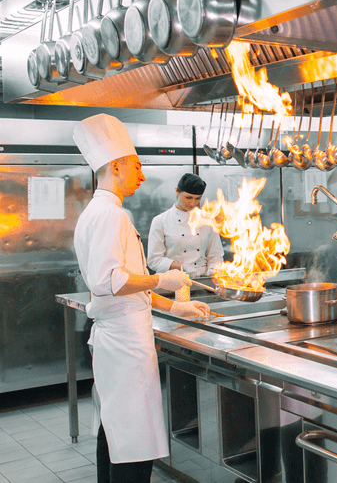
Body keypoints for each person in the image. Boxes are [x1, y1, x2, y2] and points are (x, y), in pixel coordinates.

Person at [72, 114, 210, 483]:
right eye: (136, 166)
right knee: (134, 445)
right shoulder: (111, 216)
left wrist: (175, 305)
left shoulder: (97, 212)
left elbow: (127, 286)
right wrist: (163, 278)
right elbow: (109, 281)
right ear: (116, 166)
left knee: (115, 433)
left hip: (119, 337)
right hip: (125, 344)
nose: (143, 176)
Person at [147, 173, 223, 277]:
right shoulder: (160, 221)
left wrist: (213, 270)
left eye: (197, 198)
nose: (193, 203)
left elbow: (216, 254)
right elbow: (154, 260)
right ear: (176, 191)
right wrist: (182, 267)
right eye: (188, 197)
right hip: (172, 279)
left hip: (202, 278)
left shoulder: (207, 219)